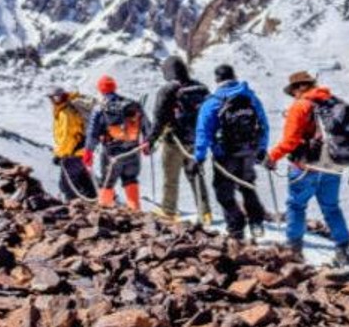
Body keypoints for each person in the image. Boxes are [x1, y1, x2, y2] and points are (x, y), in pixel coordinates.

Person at [267, 70, 349, 267]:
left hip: (306, 165)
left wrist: (272, 157)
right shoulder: (335, 103)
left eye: (293, 91)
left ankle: (294, 250)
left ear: (298, 88)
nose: (293, 95)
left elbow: (290, 140)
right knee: (331, 208)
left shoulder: (301, 106)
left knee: (296, 206)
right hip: (333, 163)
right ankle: (343, 253)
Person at [193, 64, 269, 242]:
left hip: (224, 156)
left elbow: (203, 131)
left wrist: (199, 156)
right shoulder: (251, 98)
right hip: (249, 151)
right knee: (247, 185)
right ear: (234, 76)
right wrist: (261, 149)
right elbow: (263, 124)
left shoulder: (213, 101)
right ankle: (256, 222)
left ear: (217, 80)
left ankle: (236, 228)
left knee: (223, 192)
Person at [149, 56, 211, 223]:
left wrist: (150, 141)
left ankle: (168, 211)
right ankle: (205, 212)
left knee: (171, 177)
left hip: (174, 140)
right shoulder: (201, 88)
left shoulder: (167, 90)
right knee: (196, 175)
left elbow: (159, 119)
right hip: (196, 141)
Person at [83, 75, 150, 210]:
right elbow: (147, 127)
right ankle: (136, 211)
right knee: (131, 180)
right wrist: (147, 144)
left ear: (101, 90)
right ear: (114, 87)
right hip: (133, 152)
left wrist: (88, 152)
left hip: (112, 155)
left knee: (107, 183)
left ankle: (104, 213)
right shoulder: (133, 105)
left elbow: (93, 134)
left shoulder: (100, 108)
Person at [49, 88, 95, 202]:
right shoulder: (68, 109)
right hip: (81, 152)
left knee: (66, 185)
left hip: (72, 154)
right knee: (84, 181)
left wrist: (60, 155)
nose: (53, 100)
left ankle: (74, 208)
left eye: (55, 97)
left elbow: (67, 137)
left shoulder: (65, 113)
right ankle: (96, 204)